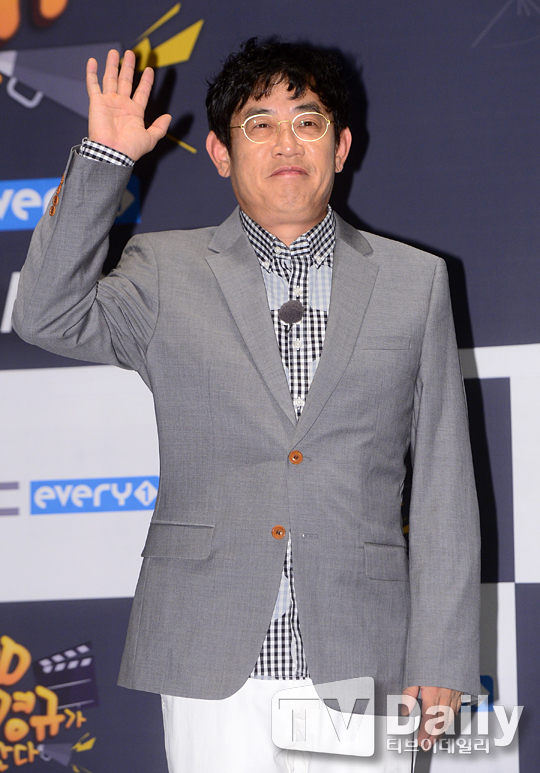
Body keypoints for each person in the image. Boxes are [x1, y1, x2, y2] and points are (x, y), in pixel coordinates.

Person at [13, 38, 480, 773]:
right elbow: (46, 315)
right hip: (210, 658)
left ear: (341, 146)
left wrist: (443, 657)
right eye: (259, 124)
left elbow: (445, 485)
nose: (287, 142)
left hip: (362, 658)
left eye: (308, 121)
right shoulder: (164, 271)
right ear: (221, 154)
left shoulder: (414, 282)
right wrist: (106, 159)